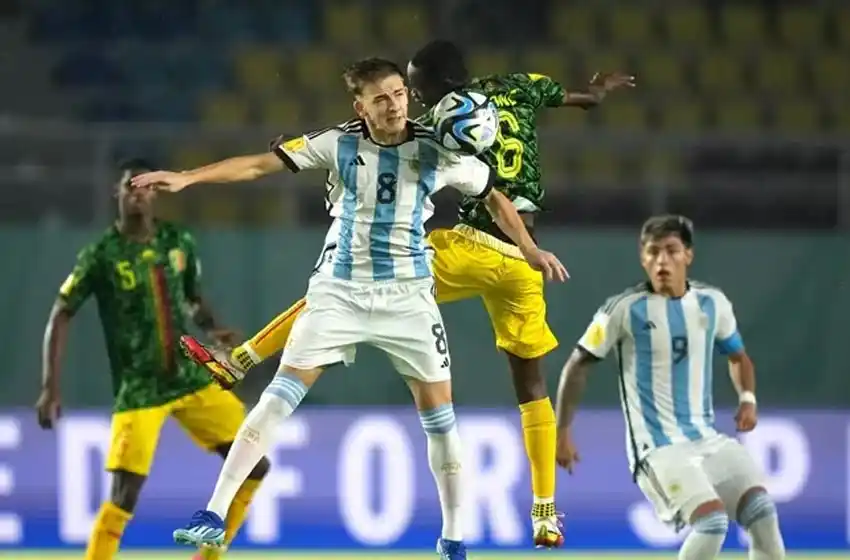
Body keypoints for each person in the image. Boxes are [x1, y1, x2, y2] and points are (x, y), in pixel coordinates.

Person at [172, 40, 632, 548]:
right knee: (275, 401)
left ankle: (455, 540)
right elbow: (260, 165)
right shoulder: (337, 143)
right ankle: (212, 512)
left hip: (409, 299)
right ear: (360, 107)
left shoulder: (438, 146)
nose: (394, 105)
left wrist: (528, 248)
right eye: (382, 98)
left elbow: (492, 193)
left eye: (399, 93)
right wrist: (188, 177)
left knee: (440, 421)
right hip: (340, 293)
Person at [36, 159, 270, 560]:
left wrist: (214, 328)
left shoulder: (178, 241)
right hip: (140, 388)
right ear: (118, 192)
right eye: (131, 186)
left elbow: (194, 300)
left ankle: (209, 556)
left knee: (256, 465)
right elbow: (61, 313)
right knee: (124, 494)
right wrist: (50, 387)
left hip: (188, 377)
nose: (139, 193)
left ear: (156, 193)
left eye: (147, 187)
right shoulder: (101, 256)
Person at [554, 215, 786, 560]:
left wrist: (747, 399)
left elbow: (738, 357)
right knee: (711, 524)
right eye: (653, 252)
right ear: (643, 258)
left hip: (706, 438)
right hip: (657, 449)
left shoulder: (713, 303)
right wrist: (562, 431)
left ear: (688, 255)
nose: (662, 261)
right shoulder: (622, 310)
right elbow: (577, 364)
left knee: (763, 512)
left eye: (671, 251)